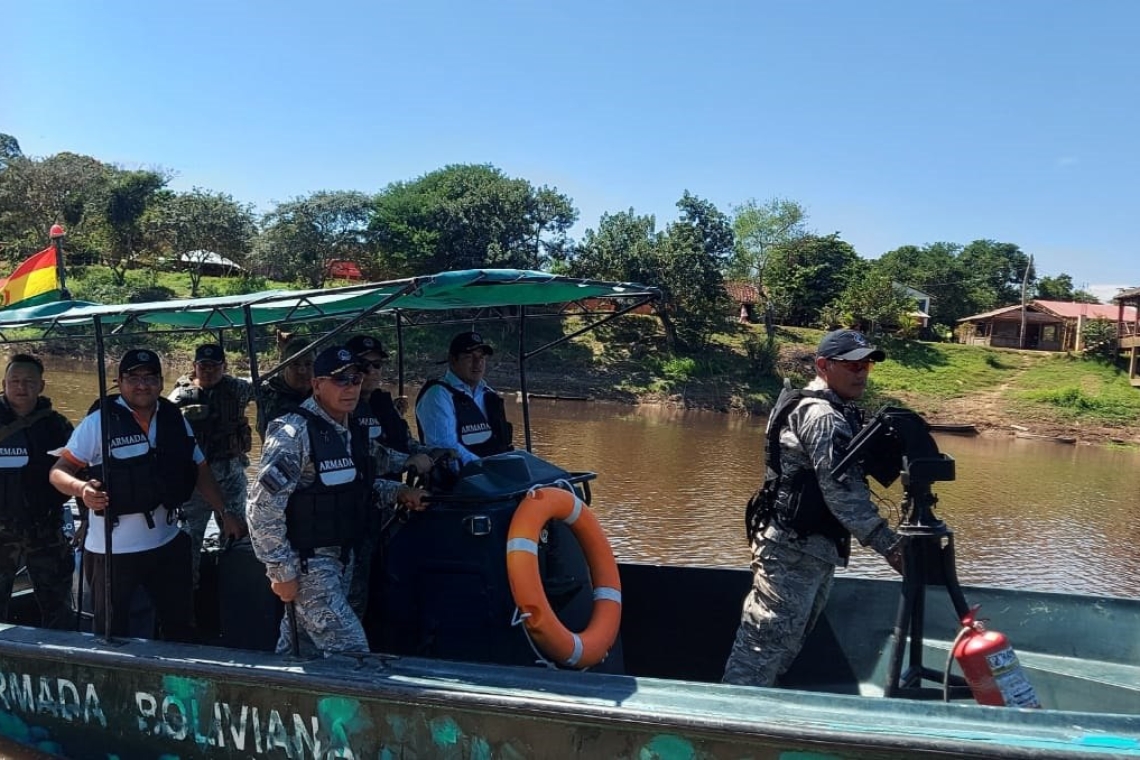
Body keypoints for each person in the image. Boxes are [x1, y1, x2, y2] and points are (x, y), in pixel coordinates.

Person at [722, 329, 904, 688]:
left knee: (782, 643)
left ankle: (751, 714)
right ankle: (730, 721)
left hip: (808, 547)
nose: (862, 372)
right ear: (823, 365)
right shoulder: (822, 415)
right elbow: (842, 492)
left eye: (866, 363)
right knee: (763, 646)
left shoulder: (833, 408)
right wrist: (891, 546)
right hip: (792, 549)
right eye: (852, 365)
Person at [247, 346, 427, 656]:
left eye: (355, 379)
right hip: (308, 565)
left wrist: (399, 490)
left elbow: (356, 485)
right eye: (340, 380)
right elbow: (261, 507)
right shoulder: (293, 433)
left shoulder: (350, 430)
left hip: (343, 556)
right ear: (317, 385)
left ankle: (274, 696)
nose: (351, 388)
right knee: (351, 652)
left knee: (300, 648)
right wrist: (280, 572)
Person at [49, 349, 227, 642]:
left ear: (160, 382)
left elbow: (201, 469)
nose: (142, 385)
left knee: (180, 626)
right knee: (111, 633)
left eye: (149, 378)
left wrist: (225, 512)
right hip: (112, 549)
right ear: (120, 382)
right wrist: (81, 489)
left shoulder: (173, 417)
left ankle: (176, 682)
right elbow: (59, 470)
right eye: (133, 378)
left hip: (166, 541)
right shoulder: (99, 422)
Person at [344, 334, 440, 618]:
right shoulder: (342, 408)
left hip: (396, 504)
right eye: (365, 366)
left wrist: (436, 454)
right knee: (356, 586)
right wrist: (408, 461)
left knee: (392, 574)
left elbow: (406, 442)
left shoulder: (384, 404)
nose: (373, 372)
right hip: (359, 505)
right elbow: (361, 453)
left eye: (378, 366)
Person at [0, 355, 75, 629]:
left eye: (29, 382)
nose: (21, 387)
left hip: (47, 529)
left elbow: (84, 471)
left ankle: (62, 662)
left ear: (42, 386)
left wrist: (89, 520)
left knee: (58, 605)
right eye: (15, 381)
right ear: (4, 383)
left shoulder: (58, 426)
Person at [169, 344, 252, 587]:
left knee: (237, 531)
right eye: (203, 366)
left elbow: (268, 384)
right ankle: (188, 595)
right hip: (195, 482)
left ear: (224, 367)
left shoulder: (238, 389)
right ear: (194, 367)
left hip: (231, 474)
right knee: (189, 538)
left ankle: (233, 586)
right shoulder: (178, 398)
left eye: (215, 366)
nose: (209, 371)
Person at [415, 331, 513, 467]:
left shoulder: (489, 394)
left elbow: (502, 443)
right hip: (457, 482)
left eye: (481, 357)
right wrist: (485, 469)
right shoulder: (437, 395)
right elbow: (447, 451)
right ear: (453, 360)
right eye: (469, 357)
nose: (477, 363)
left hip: (495, 477)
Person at [257, 334, 314, 437]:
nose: (302, 370)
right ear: (284, 368)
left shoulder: (324, 395)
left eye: (308, 364)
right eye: (295, 364)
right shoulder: (267, 395)